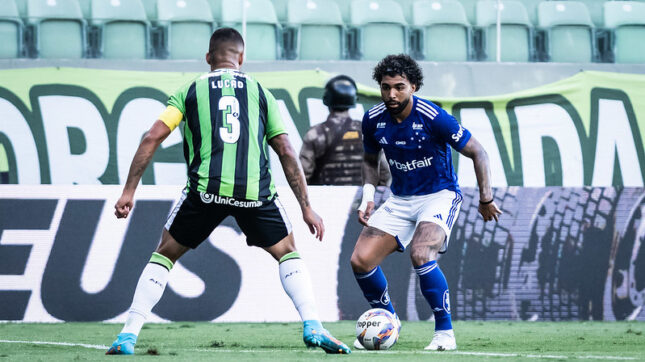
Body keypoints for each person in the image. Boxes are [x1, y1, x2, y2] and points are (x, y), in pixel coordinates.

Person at [106, 28, 350, 355]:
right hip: (255, 193)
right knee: (288, 252)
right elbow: (287, 151)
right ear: (242, 58)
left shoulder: (189, 91)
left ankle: (128, 335)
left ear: (209, 58)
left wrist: (128, 192)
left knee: (164, 254)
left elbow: (151, 137)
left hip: (205, 190)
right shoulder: (262, 93)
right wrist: (306, 207)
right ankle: (313, 325)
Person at [350, 54, 502, 351]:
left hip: (439, 195)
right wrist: (368, 196)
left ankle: (445, 332)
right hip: (401, 198)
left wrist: (487, 198)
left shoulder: (434, 117)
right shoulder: (373, 119)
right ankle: (389, 320)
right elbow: (370, 160)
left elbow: (478, 152)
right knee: (360, 260)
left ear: (414, 87)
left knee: (421, 253)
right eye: (385, 87)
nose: (391, 94)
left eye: (399, 87)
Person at [299, 75, 390, 186]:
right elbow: (385, 172)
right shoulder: (368, 132)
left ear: (327, 100)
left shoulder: (315, 134)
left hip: (326, 200)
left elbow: (302, 175)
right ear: (353, 100)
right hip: (361, 199)